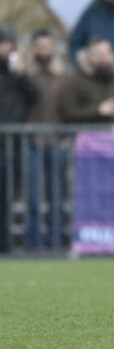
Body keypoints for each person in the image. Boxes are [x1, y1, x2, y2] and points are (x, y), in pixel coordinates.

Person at [26, 29, 70, 249]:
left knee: (57, 196)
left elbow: (70, 108)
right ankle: (33, 245)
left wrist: (65, 134)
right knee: (33, 198)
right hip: (31, 142)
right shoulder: (25, 75)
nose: (44, 50)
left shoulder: (64, 76)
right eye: (40, 46)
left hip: (56, 141)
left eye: (47, 46)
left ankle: (55, 243)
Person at [0, 24, 40, 253]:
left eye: (9, 44)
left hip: (13, 144)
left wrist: (22, 74)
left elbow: (36, 96)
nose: (6, 49)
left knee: (8, 196)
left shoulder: (18, 74)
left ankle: (4, 245)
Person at [58, 37, 114, 123]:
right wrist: (97, 111)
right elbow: (67, 112)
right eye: (99, 54)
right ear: (88, 55)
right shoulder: (75, 80)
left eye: (107, 53)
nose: (103, 58)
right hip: (86, 129)